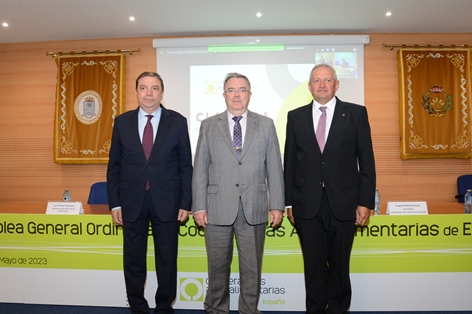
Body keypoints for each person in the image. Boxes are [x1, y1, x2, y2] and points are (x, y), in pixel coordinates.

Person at [284, 64, 376, 314]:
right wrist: (289, 203)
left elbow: (366, 160)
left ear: (337, 84)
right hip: (306, 205)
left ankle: (337, 310)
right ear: (309, 86)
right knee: (313, 266)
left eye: (327, 80)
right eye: (316, 80)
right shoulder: (295, 116)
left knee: (339, 266)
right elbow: (290, 162)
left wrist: (365, 202)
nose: (322, 85)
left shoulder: (356, 114)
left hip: (344, 204)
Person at [192, 72, 285, 314]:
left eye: (242, 90)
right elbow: (200, 169)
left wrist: (277, 205)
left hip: (254, 207)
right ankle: (216, 310)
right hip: (216, 209)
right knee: (217, 269)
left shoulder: (265, 125)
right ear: (224, 95)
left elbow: (274, 166)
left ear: (250, 95)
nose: (236, 95)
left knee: (252, 270)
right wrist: (199, 206)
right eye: (231, 90)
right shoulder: (209, 125)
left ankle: (249, 311)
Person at [107, 71, 192, 314]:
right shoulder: (121, 122)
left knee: (166, 259)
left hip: (168, 201)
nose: (149, 93)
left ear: (162, 93)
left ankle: (164, 307)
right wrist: (115, 204)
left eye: (154, 88)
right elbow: (114, 166)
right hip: (131, 201)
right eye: (143, 88)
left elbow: (186, 166)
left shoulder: (177, 121)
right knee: (133, 259)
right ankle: (137, 307)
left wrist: (186, 202)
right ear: (136, 92)